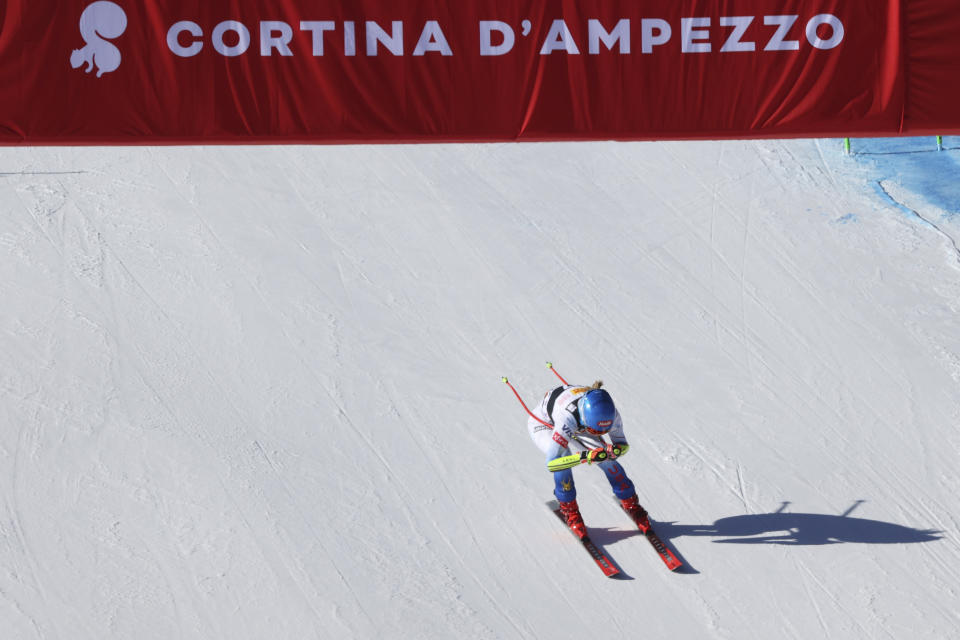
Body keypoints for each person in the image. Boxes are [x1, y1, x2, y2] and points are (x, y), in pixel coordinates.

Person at [528, 380, 648, 538]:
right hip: (545, 423)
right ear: (586, 420)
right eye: (594, 431)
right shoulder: (566, 418)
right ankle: (569, 510)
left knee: (606, 459)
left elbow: (623, 446)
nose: (598, 434)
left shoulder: (612, 415)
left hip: (579, 425)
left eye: (602, 431)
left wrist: (615, 451)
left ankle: (631, 504)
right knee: (565, 457)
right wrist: (587, 456)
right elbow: (552, 463)